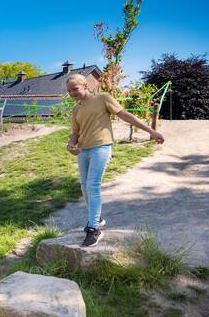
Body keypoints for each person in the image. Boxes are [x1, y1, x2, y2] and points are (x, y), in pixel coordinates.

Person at [66, 74, 165, 247]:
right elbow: (76, 132)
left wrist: (151, 131)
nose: (72, 93)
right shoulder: (76, 109)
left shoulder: (103, 98)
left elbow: (125, 115)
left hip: (101, 147)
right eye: (69, 90)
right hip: (83, 151)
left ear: (85, 86)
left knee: (92, 185)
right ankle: (97, 218)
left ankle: (93, 228)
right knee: (84, 186)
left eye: (75, 88)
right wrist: (71, 144)